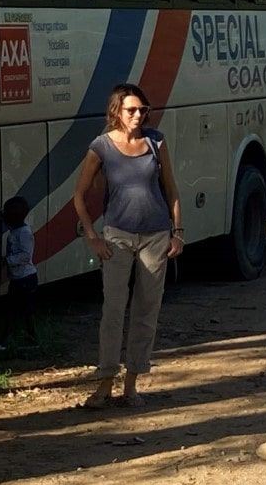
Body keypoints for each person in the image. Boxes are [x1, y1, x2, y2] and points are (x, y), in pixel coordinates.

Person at [71, 84, 184, 409]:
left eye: (143, 111)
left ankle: (131, 385)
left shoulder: (156, 141)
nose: (138, 116)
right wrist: (93, 236)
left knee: (147, 310)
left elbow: (172, 190)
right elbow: (79, 196)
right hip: (117, 236)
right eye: (132, 110)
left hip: (157, 236)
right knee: (113, 310)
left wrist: (178, 233)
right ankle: (105, 383)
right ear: (116, 112)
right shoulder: (101, 147)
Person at [0, 196, 38, 351]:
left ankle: (12, 339)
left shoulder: (24, 233)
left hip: (26, 278)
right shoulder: (16, 227)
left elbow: (26, 255)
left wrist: (6, 260)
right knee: (17, 309)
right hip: (19, 278)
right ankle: (27, 336)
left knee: (22, 310)